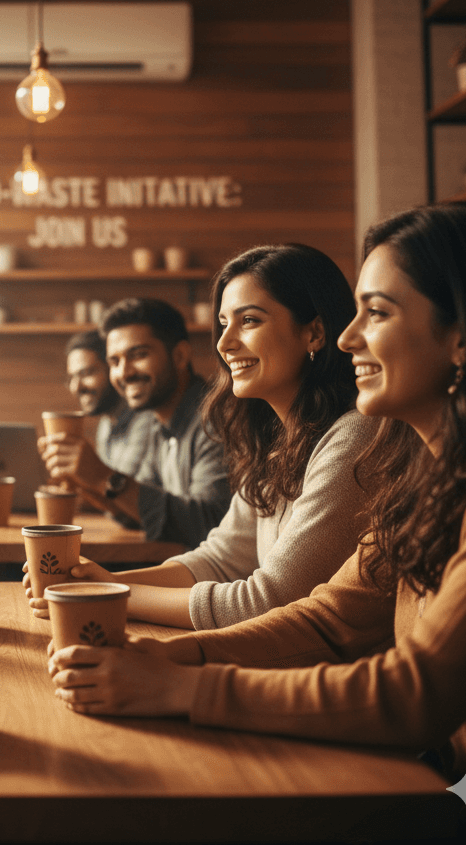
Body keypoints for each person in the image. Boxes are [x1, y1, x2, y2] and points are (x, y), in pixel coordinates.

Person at [49, 203, 466, 830]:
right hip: (450, 789)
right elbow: (331, 619)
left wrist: (185, 687)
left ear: (463, 333)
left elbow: (418, 695)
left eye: (376, 312)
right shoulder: (427, 479)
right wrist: (173, 661)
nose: (349, 336)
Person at [46, 245, 378, 629]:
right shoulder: (275, 443)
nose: (223, 343)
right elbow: (219, 559)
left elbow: (267, 601)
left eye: (249, 321)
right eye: (223, 324)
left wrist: (112, 596)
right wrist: (100, 582)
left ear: (315, 332)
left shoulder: (352, 438)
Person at [40, 298, 230, 544]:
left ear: (181, 356)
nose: (124, 373)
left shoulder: (216, 419)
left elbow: (210, 525)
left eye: (138, 355)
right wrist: (91, 488)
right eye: (115, 362)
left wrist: (103, 477)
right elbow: (149, 512)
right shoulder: (156, 421)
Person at [64, 328, 156, 480]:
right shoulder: (106, 423)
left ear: (113, 369)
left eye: (87, 373)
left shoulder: (146, 420)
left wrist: (88, 469)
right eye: (72, 377)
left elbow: (120, 489)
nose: (76, 387)